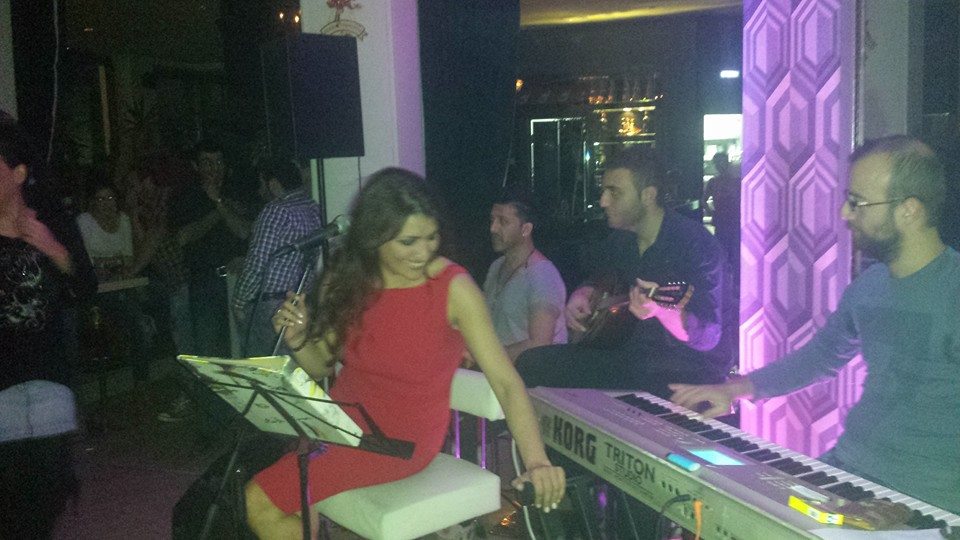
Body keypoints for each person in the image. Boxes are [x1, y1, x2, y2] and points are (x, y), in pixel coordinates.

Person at [244, 168, 565, 538]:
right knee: (297, 502)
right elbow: (321, 364)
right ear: (374, 238)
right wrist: (299, 337)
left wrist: (537, 461)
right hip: (338, 423)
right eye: (409, 242)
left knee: (257, 500)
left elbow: (506, 382)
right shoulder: (344, 280)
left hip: (399, 441)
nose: (423, 252)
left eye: (431, 238)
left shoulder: (452, 287)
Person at [670, 136, 960, 514]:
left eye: (857, 202)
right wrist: (735, 389)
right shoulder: (869, 286)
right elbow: (822, 356)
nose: (844, 213)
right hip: (847, 470)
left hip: (927, 499)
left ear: (909, 210)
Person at [516, 146, 732, 399]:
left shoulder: (697, 246)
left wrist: (663, 312)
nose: (603, 201)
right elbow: (600, 273)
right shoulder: (622, 240)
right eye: (604, 191)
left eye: (614, 193)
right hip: (633, 356)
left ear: (648, 195)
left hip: (688, 368)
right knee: (532, 363)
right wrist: (584, 292)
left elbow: (709, 337)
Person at [0, 117, 98, 535]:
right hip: (2, 383)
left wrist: (52, 248)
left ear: (18, 173)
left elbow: (86, 285)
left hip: (49, 377)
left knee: (47, 495)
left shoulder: (51, 220)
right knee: (9, 501)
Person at [233, 157, 323, 356]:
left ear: (273, 184)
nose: (260, 190)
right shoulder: (314, 207)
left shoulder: (276, 210)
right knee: (295, 365)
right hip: (301, 304)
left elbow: (258, 263)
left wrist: (239, 302)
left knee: (263, 367)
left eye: (261, 184)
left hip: (270, 307)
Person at [170, 140, 250, 357]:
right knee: (208, 350)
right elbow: (183, 237)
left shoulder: (238, 190)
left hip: (238, 279)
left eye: (218, 162)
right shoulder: (187, 196)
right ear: (196, 166)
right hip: (205, 281)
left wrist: (220, 202)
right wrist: (219, 208)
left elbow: (244, 231)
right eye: (207, 162)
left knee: (240, 349)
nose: (214, 168)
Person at [482, 191, 567, 362]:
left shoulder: (542, 275)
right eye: (492, 220)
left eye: (503, 222)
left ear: (526, 229)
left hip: (532, 376)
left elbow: (540, 344)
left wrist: (486, 357)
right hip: (500, 372)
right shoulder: (496, 267)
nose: (493, 228)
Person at [703, 151, 741, 278]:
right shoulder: (715, 182)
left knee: (732, 251)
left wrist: (711, 212)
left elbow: (703, 200)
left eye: (721, 162)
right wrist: (712, 212)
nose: (720, 165)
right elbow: (703, 200)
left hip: (732, 221)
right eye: (717, 163)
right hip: (724, 221)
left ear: (727, 163)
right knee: (725, 251)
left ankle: (733, 279)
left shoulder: (735, 182)